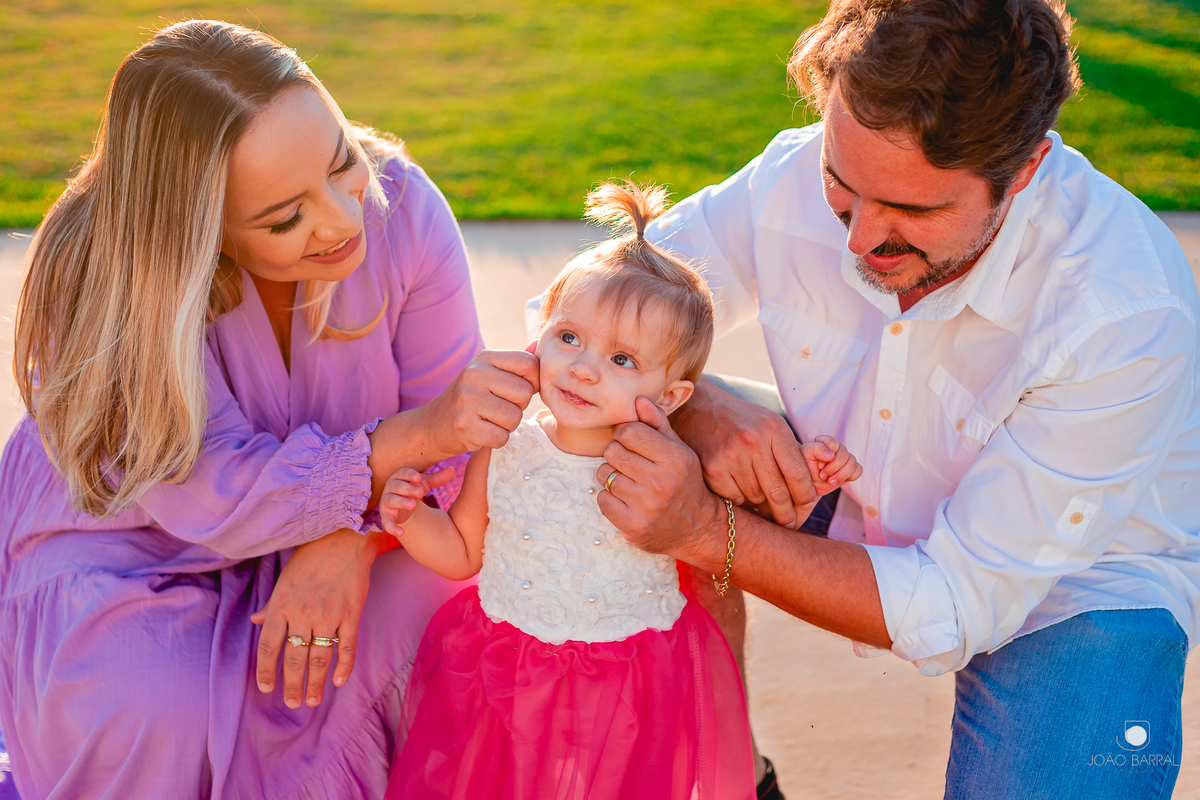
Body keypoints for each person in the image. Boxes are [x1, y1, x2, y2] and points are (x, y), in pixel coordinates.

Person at [585, 1, 1200, 798]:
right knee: (592, 436)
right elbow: (578, 316)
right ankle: (721, 769)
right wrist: (692, 402)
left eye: (912, 211)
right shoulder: (789, 174)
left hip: (1073, 582)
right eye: (842, 185)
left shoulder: (1122, 308)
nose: (858, 240)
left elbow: (952, 602)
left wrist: (706, 531)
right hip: (837, 472)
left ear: (1024, 171)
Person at [0, 20, 541, 799]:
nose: (345, 219)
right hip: (131, 547)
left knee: (464, 612)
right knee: (154, 701)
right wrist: (416, 434)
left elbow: (458, 456)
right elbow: (211, 492)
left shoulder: (404, 210)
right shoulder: (108, 283)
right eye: (286, 218)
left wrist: (351, 544)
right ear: (196, 233)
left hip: (351, 524)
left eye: (340, 163)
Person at [375, 181, 861, 800]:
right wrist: (412, 517)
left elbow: (746, 529)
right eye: (569, 338)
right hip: (508, 671)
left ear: (671, 397)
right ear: (540, 334)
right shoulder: (505, 447)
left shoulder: (668, 467)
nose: (582, 368)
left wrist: (810, 476)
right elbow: (464, 551)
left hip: (630, 680)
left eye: (623, 360)